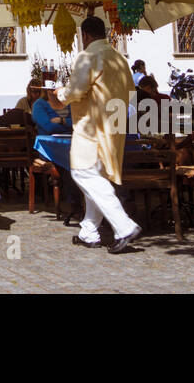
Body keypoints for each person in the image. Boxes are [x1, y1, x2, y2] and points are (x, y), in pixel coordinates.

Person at [60, 16, 142, 253]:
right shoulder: (120, 58)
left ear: (85, 35)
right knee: (97, 176)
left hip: (91, 125)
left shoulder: (88, 56)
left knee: (82, 172)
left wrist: (59, 93)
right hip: (115, 125)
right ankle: (89, 231)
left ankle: (124, 225)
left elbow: (75, 91)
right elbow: (131, 93)